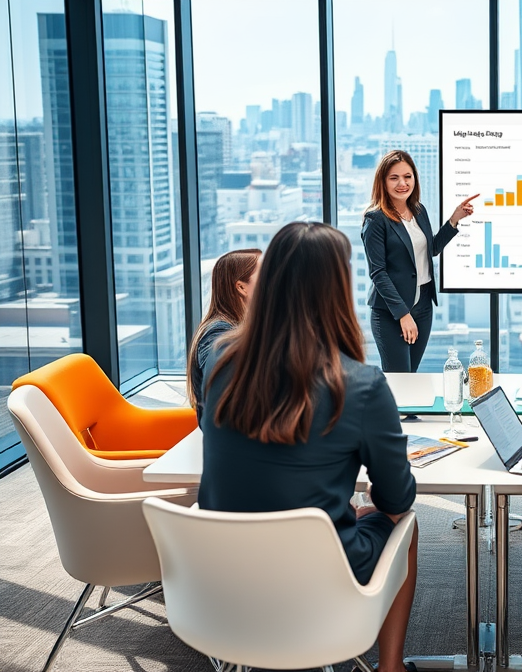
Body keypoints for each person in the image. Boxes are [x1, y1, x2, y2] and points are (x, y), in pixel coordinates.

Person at [199, 222, 418, 672]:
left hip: (224, 573)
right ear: (336, 289)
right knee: (404, 523)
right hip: (317, 574)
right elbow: (397, 496)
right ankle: (390, 667)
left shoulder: (221, 361)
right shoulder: (359, 384)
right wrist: (353, 509)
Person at [362, 149, 477, 372]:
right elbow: (378, 273)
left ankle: (406, 410)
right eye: (394, 178)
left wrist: (454, 219)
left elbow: (430, 249)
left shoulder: (418, 210)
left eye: (407, 176)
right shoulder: (375, 219)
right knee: (400, 377)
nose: (402, 183)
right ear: (382, 182)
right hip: (391, 310)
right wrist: (403, 314)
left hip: (423, 306)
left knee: (411, 376)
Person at [185, 248, 261, 422]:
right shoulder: (217, 332)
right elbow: (225, 386)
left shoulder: (243, 326)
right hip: (230, 434)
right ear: (242, 287)